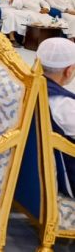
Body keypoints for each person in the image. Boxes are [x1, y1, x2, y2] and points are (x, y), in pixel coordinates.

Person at [38, 38, 75, 197]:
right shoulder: (62, 103)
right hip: (65, 176)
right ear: (69, 70)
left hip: (35, 166)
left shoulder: (27, 85)